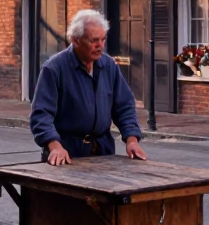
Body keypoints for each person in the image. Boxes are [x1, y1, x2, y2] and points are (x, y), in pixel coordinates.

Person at [30, 9, 146, 165]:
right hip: (67, 154)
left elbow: (124, 106)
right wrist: (54, 146)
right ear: (75, 40)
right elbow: (41, 115)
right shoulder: (54, 68)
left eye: (103, 39)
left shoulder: (109, 65)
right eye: (94, 40)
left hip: (103, 152)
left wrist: (132, 140)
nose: (100, 46)